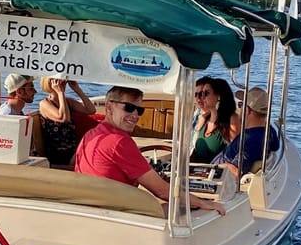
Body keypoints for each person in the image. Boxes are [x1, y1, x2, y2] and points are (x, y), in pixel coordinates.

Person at [75, 86, 226, 216]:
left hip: (92, 207)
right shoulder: (119, 141)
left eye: (139, 110)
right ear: (109, 107)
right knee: (191, 209)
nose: (135, 115)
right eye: (128, 108)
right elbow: (161, 191)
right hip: (117, 214)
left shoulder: (92, 134)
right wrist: (204, 203)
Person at [213, 87, 280, 177]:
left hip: (216, 176)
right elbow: (276, 147)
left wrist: (213, 167)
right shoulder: (270, 131)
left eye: (241, 105)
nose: (239, 108)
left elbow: (236, 172)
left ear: (247, 110)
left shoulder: (248, 141)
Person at [38, 76, 97, 166]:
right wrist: (60, 92)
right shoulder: (44, 103)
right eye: (59, 82)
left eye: (64, 82)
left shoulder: (68, 102)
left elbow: (91, 110)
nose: (63, 84)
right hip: (58, 152)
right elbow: (64, 118)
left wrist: (77, 89)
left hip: (72, 149)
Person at [190, 76, 238, 163]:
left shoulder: (231, 119)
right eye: (201, 94)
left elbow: (236, 154)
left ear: (218, 96)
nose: (202, 97)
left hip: (217, 174)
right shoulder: (203, 119)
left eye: (205, 93)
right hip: (196, 172)